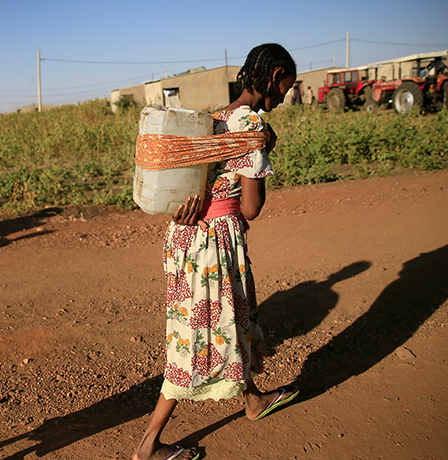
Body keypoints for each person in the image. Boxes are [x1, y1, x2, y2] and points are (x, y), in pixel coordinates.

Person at [133, 43, 300, 460]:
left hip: (185, 237)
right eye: (287, 86)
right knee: (197, 337)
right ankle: (147, 444)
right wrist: (262, 155)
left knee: (231, 316)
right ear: (275, 75)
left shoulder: (218, 116)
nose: (285, 97)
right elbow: (250, 208)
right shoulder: (251, 125)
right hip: (214, 242)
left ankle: (253, 399)